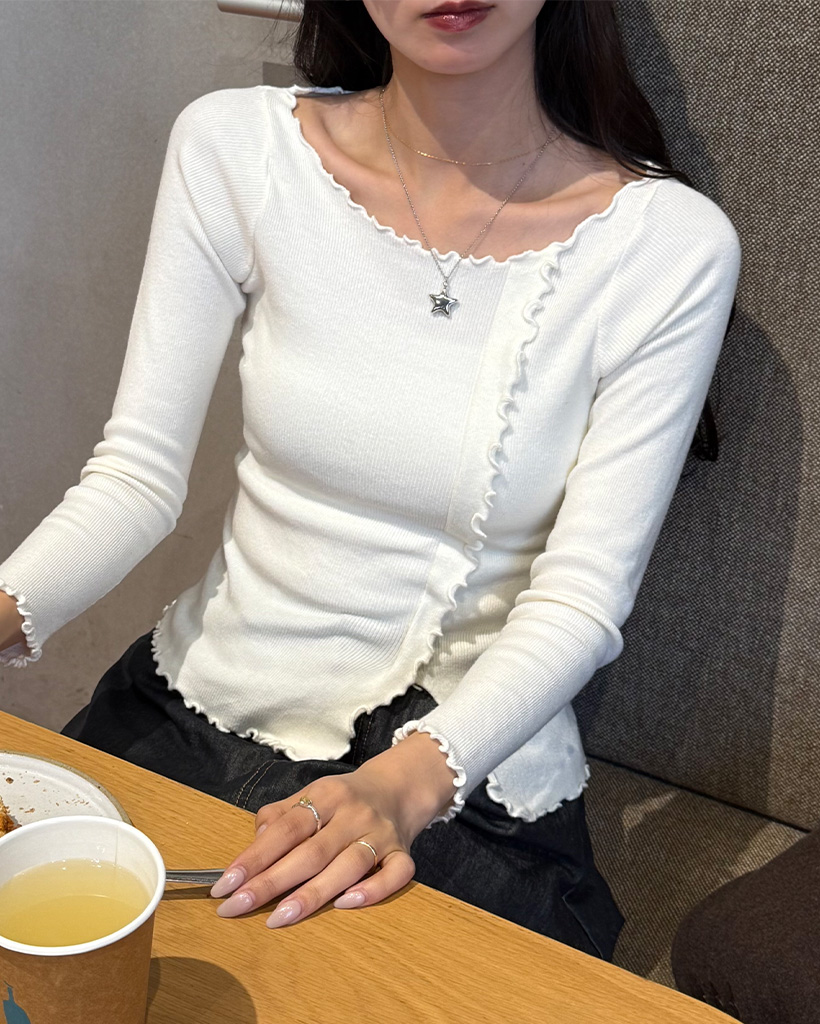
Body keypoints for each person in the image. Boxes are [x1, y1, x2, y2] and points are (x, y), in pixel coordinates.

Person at [0, 0, 740, 957]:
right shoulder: (235, 148)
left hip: (453, 774)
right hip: (198, 703)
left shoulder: (668, 245)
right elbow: (134, 479)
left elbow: (582, 601)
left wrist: (402, 787)